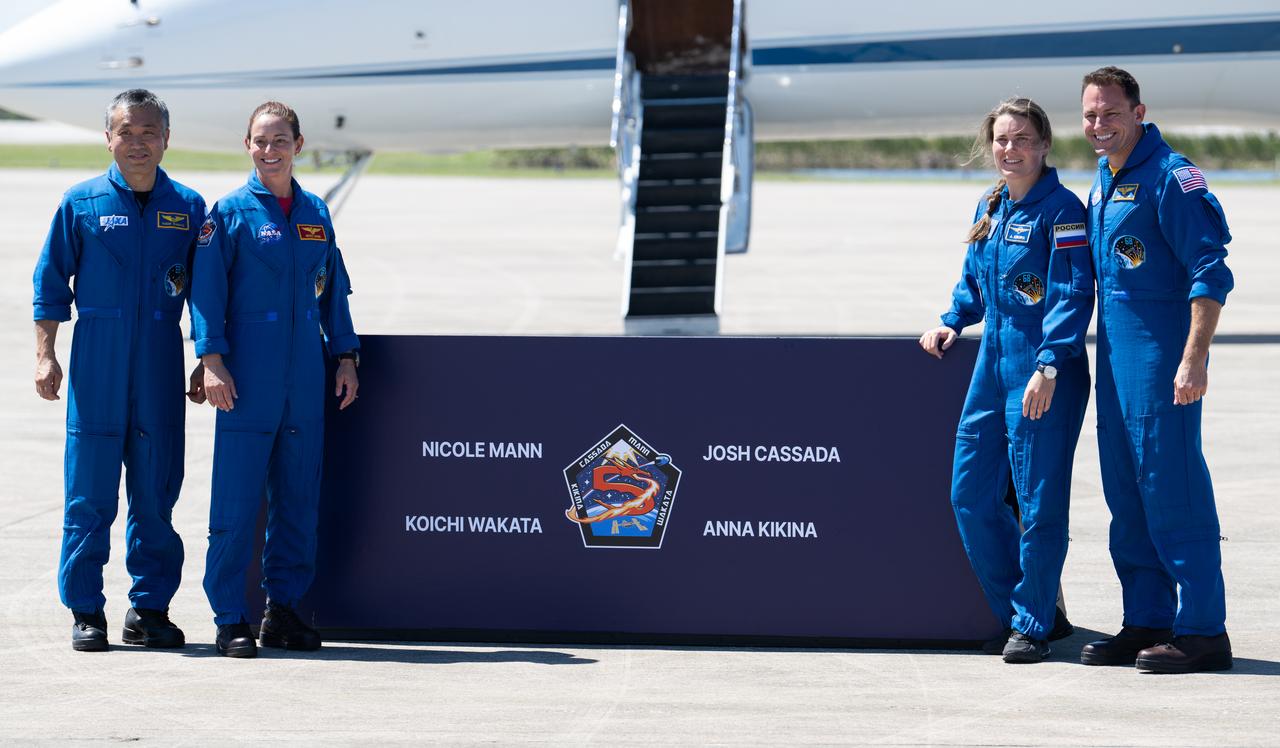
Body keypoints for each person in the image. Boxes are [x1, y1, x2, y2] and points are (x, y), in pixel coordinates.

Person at [919, 98, 1093, 663]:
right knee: (968, 495)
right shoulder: (990, 203)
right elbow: (973, 280)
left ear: (1044, 145)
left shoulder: (1061, 210)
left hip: (1042, 369)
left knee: (1039, 504)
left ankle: (1032, 624)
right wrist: (951, 321)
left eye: (1021, 139)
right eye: (1001, 140)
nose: (1010, 150)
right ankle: (1031, 609)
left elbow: (1071, 293)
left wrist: (1048, 365)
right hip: (990, 364)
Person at [32, 89, 206, 651]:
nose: (138, 142)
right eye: (126, 131)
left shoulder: (189, 206)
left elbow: (208, 292)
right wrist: (44, 353)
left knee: (157, 491)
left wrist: (208, 357)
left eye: (149, 131)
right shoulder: (79, 203)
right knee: (90, 493)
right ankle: (87, 609)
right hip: (97, 360)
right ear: (108, 138)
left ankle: (149, 608)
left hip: (160, 357)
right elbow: (51, 284)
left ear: (166, 138)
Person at [1077, 67, 1234, 673]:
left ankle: (1201, 631)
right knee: (1126, 492)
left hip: (1164, 362)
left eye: (1111, 114)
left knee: (1173, 490)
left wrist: (1193, 358)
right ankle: (1146, 618)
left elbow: (1211, 273)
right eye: (1090, 115)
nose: (1099, 125)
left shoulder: (1172, 178)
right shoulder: (1105, 176)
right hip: (1115, 362)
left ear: (1139, 112)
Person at [191, 101, 360, 658]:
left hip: (305, 377)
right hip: (248, 378)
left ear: (298, 143)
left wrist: (345, 356)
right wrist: (212, 360)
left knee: (297, 499)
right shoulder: (230, 214)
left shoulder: (315, 213)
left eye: (280, 140)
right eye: (260, 141)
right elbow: (207, 293)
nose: (270, 150)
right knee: (235, 503)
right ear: (247, 146)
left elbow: (332, 289)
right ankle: (229, 616)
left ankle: (282, 609)